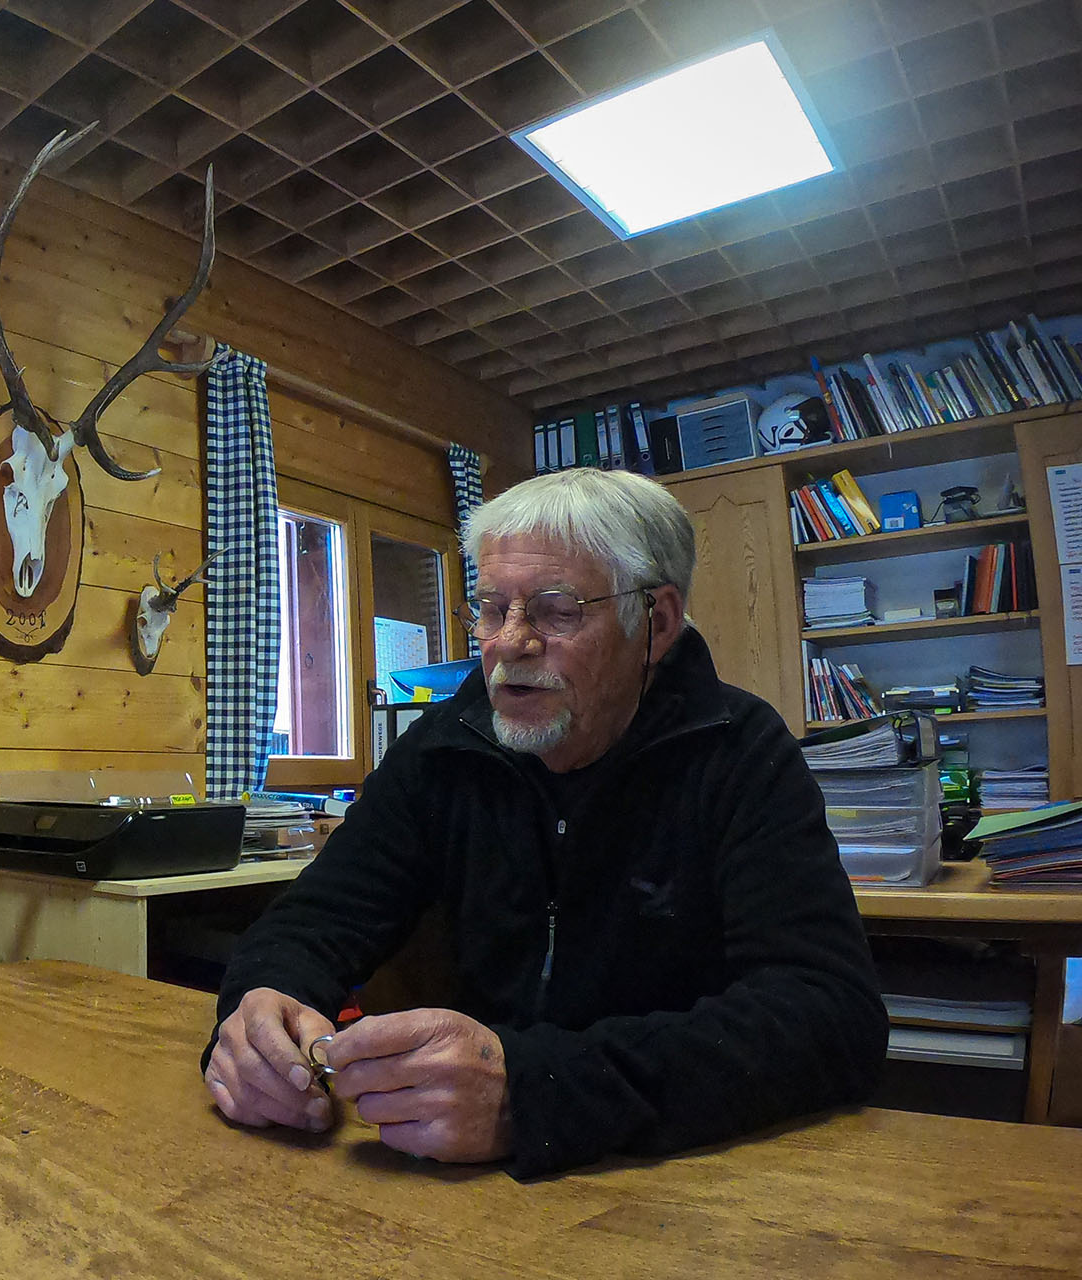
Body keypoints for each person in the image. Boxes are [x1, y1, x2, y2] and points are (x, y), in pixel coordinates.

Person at [204, 468, 887, 1178]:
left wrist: (537, 1093)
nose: (509, 643)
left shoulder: (740, 752)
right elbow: (315, 921)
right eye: (491, 608)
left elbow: (830, 1017)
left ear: (655, 624)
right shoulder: (444, 749)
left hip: (694, 1177)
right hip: (466, 1182)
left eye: (555, 611)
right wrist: (262, 1006)